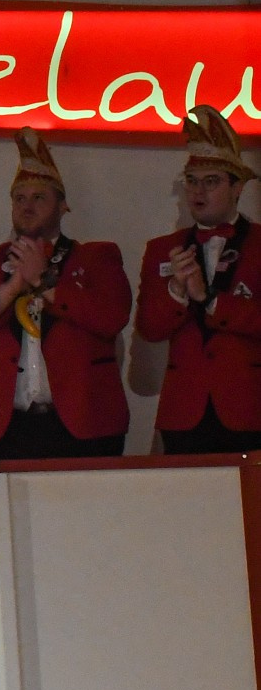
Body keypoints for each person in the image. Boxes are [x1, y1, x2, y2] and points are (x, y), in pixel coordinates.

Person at [0, 129, 132, 461]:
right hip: (3, 427)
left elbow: (112, 318)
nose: (27, 206)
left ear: (63, 205)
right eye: (19, 198)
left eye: (39, 198)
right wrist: (11, 288)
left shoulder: (96, 257)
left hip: (83, 424)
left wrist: (43, 282)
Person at [136, 104, 261, 454]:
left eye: (211, 182)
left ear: (238, 187)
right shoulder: (163, 249)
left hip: (250, 409)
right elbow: (149, 328)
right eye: (191, 181)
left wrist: (211, 300)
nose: (198, 192)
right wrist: (176, 291)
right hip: (183, 412)